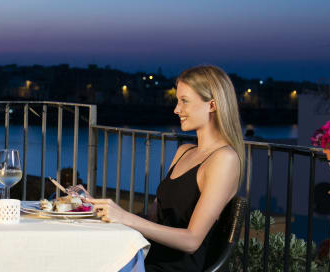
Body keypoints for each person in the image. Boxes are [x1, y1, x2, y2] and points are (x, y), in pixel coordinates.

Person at [88, 65, 245, 271]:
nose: (176, 109)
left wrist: (125, 218)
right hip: (147, 256)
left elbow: (192, 240)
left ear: (212, 105)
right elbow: (153, 220)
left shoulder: (224, 159)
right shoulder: (184, 151)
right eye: (177, 101)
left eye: (184, 101)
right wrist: (99, 208)